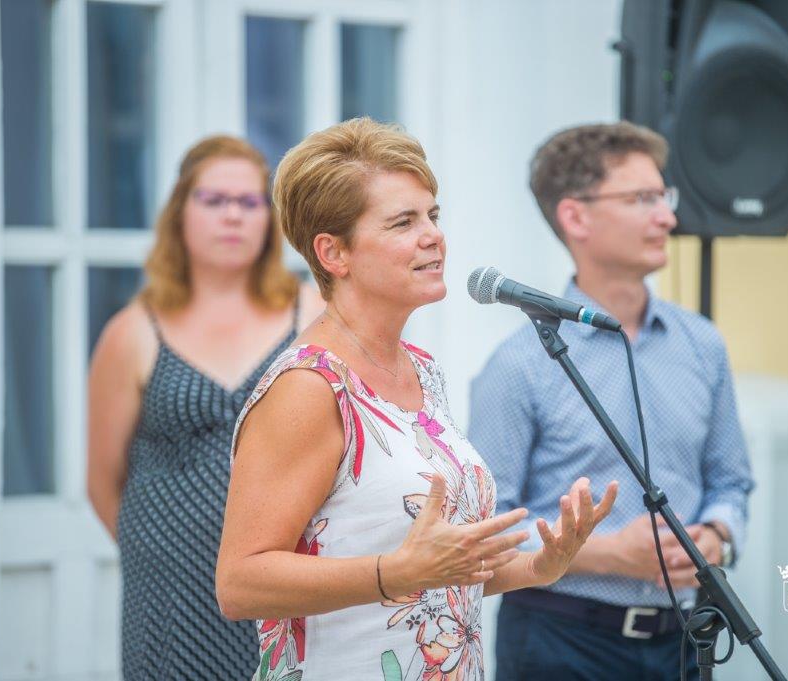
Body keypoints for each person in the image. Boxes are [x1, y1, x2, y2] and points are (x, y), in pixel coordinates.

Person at [214, 117, 620, 681]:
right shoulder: (309, 387)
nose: (433, 236)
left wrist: (539, 567)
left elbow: (438, 573)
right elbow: (240, 583)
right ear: (333, 253)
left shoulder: (422, 371)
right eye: (404, 222)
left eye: (433, 215)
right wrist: (393, 573)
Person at [469, 121, 755, 681]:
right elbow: (486, 529)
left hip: (685, 639)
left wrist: (717, 538)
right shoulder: (519, 364)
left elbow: (731, 482)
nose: (667, 217)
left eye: (665, 197)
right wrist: (605, 552)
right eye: (642, 198)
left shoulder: (702, 344)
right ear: (576, 217)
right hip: (559, 641)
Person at [87, 135, 325, 679]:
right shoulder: (132, 332)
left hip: (284, 577)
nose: (233, 216)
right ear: (180, 213)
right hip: (169, 594)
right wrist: (163, 550)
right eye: (214, 200)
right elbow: (103, 480)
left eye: (249, 202)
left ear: (269, 219)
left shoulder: (312, 314)